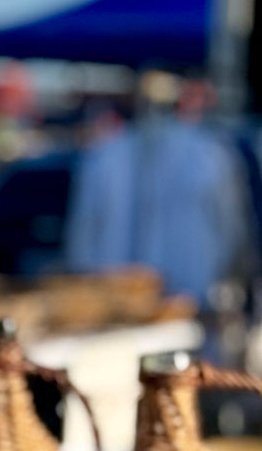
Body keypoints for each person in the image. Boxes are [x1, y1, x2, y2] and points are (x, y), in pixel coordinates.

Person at [65, 72, 256, 308]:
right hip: (120, 304)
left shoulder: (209, 155)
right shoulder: (105, 156)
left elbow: (231, 232)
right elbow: (232, 232)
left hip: (187, 300)